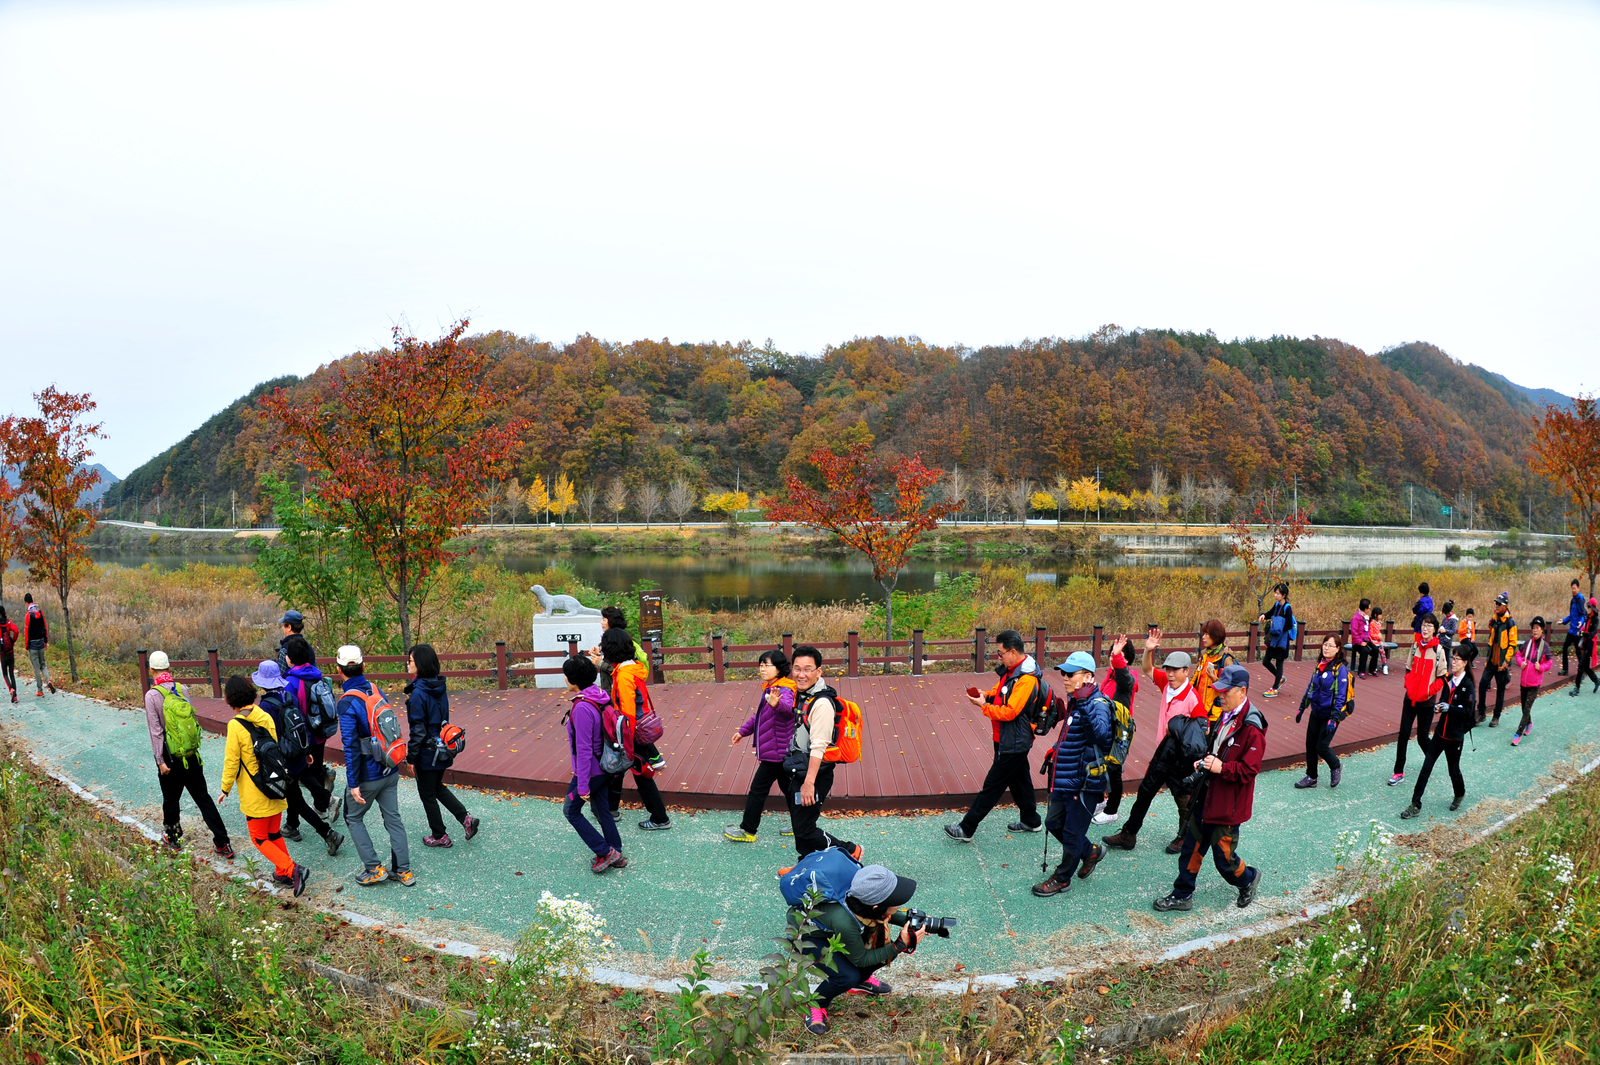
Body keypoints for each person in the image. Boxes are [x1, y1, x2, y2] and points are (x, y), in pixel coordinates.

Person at [1153, 664, 1265, 913]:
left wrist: (1221, 767)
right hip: (1205, 796)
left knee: (1224, 860)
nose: (1220, 695)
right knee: (1190, 848)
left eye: (1225, 691)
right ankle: (1182, 894)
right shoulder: (1225, 716)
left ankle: (1248, 878)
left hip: (1227, 806)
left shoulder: (1252, 728)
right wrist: (1204, 760)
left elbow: (1249, 770)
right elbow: (1215, 749)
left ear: (1242, 691)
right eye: (1219, 690)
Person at [1103, 630, 1205, 854]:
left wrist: (1181, 732)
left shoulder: (1192, 698)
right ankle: (1129, 834)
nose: (1170, 674)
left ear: (1186, 671)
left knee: (1183, 799)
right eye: (1168, 669)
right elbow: (1148, 669)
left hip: (1180, 757)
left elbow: (1201, 730)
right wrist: (1149, 650)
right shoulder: (1167, 685)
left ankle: (1185, 837)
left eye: (1175, 670)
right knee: (1145, 792)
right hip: (1162, 753)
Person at [795, 864, 927, 1035]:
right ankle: (816, 1003)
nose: (901, 903)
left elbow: (886, 913)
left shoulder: (863, 897)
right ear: (876, 907)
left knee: (884, 951)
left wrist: (915, 922)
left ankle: (860, 981)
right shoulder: (845, 922)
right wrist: (900, 945)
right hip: (807, 937)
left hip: (833, 928)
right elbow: (861, 959)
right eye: (895, 900)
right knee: (847, 976)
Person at [945, 630, 1045, 841]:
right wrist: (986, 695)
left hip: (1014, 741)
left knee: (993, 785)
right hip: (1010, 738)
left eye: (1000, 653)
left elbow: (1010, 712)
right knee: (1020, 781)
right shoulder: (1013, 671)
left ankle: (967, 828)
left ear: (1013, 652)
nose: (998, 657)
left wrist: (984, 705)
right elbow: (1000, 693)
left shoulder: (1026, 679)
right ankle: (1031, 820)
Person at [1032, 651, 1114, 897]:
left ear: (1087, 677)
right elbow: (1073, 735)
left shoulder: (1097, 703)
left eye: (1070, 673)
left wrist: (1085, 702)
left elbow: (1100, 736)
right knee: (1053, 822)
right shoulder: (1076, 700)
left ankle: (1062, 878)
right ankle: (1090, 851)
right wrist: (1056, 749)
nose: (1065, 678)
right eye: (1063, 673)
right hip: (1066, 776)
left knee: (1071, 833)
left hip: (1084, 782)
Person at [217, 675, 307, 896]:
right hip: (275, 783)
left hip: (254, 790)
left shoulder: (236, 725)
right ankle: (282, 872)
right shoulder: (264, 716)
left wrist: (225, 788)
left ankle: (292, 869)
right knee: (273, 833)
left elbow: (232, 760)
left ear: (230, 699)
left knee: (259, 838)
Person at [143, 650, 235, 858]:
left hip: (170, 756)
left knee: (171, 799)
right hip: (191, 754)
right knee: (203, 798)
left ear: (151, 670)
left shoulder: (152, 696)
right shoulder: (182, 689)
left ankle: (173, 838)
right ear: (169, 668)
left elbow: (156, 731)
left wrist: (160, 761)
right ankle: (223, 842)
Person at [335, 645, 414, 886]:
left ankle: (374, 868)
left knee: (353, 817)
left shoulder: (347, 703)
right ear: (364, 666)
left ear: (339, 670)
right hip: (390, 767)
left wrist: (353, 783)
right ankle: (403, 871)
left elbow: (350, 746)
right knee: (393, 819)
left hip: (368, 774)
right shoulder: (376, 690)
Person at [254, 659, 344, 857]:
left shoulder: (266, 706)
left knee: (296, 800)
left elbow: (269, 736)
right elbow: (301, 723)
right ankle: (304, 816)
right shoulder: (289, 696)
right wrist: (306, 750)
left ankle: (328, 834)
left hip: (283, 757)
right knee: (302, 781)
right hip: (297, 751)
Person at [785, 645, 862, 861]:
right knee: (800, 825)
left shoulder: (821, 704)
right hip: (799, 768)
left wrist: (809, 783)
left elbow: (819, 746)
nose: (801, 674)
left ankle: (849, 850)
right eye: (797, 668)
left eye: (808, 669)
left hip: (815, 773)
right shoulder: (803, 695)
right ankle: (806, 864)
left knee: (805, 829)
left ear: (819, 672)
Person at [596, 628, 671, 830]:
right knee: (631, 772)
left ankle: (659, 818)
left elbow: (627, 713)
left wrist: (622, 739)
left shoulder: (624, 676)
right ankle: (612, 809)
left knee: (637, 774)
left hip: (631, 732)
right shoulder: (633, 668)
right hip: (640, 727)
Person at [405, 643, 480, 846]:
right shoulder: (438, 687)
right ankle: (465, 819)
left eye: (410, 660)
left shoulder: (419, 693)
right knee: (436, 787)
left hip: (427, 753)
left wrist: (411, 758)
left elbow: (418, 731)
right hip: (443, 747)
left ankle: (439, 836)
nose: (407, 664)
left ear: (420, 664)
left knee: (427, 794)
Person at [562, 654, 627, 873]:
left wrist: (582, 785)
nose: (565, 679)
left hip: (590, 771)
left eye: (566, 675)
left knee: (571, 811)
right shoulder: (599, 695)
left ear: (574, 679)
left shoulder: (581, 707)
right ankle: (616, 851)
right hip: (606, 765)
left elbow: (583, 749)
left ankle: (605, 852)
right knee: (602, 809)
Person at [724, 648, 798, 843]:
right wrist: (743, 731)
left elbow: (788, 709)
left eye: (767, 665)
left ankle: (748, 830)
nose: (762, 668)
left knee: (758, 790)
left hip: (776, 752)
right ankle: (802, 824)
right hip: (779, 750)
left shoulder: (784, 690)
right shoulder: (772, 688)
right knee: (789, 789)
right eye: (761, 665)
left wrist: (776, 704)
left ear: (779, 668)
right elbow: (760, 717)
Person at [1402, 641, 1477, 819]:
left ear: (1465, 662)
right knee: (1425, 768)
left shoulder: (1468, 685)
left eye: (1457, 659)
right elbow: (1443, 701)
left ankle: (1459, 794)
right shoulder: (1449, 679)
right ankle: (1415, 804)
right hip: (1439, 734)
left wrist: (1449, 708)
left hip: (1454, 737)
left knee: (1453, 770)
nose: (1453, 662)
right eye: (1453, 658)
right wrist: (1439, 707)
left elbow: (1468, 712)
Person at [279, 635, 338, 839]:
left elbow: (290, 715)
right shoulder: (317, 676)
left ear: (289, 658)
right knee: (311, 773)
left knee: (294, 781)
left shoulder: (290, 682)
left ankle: (296, 822)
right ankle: (318, 808)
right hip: (320, 734)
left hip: (302, 740)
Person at [1389, 613, 1446, 786]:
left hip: (1426, 702)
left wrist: (1429, 691)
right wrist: (1409, 685)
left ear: (1435, 629)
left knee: (1422, 737)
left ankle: (1430, 760)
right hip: (1410, 699)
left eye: (1429, 626)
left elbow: (1442, 678)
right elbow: (1408, 669)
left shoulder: (1438, 651)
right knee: (1403, 735)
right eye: (1423, 625)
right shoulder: (1415, 646)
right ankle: (1398, 772)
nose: (1425, 628)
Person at [1092, 635, 1138, 825]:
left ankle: (1112, 811)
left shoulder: (1128, 678)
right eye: (1112, 654)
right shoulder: (1110, 676)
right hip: (1107, 728)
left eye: (1118, 655)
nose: (1113, 658)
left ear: (1126, 659)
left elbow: (1125, 680)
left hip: (1120, 731)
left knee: (1114, 769)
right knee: (1099, 762)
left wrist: (1118, 657)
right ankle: (1100, 801)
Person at [1294, 635, 1349, 789]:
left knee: (1322, 747)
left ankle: (1335, 766)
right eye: (1325, 644)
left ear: (1338, 649)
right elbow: (1310, 687)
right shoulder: (1320, 666)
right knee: (1310, 745)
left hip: (1330, 715)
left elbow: (1341, 695)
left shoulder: (1340, 669)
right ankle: (1311, 777)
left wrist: (1334, 718)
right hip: (1316, 712)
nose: (1326, 648)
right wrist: (1302, 708)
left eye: (1331, 645)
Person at [1511, 617, 1553, 745]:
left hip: (1534, 683)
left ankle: (1518, 734)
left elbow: (1549, 663)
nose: (1535, 630)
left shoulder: (1545, 647)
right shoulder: (1527, 643)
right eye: (1533, 628)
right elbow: (1518, 655)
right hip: (1524, 681)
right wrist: (1520, 663)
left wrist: (1541, 667)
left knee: (1527, 709)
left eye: (1537, 628)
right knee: (1524, 707)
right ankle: (1529, 723)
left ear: (1542, 630)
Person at [1478, 592, 1517, 726]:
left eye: (1499, 604)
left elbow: (1512, 644)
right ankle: (1481, 713)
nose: (1497, 606)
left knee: (1500, 690)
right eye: (1496, 603)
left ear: (1505, 606)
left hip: (1501, 663)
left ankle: (1496, 716)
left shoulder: (1510, 622)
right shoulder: (1494, 619)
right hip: (1491, 661)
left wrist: (1506, 660)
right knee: (1482, 684)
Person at [1193, 620, 1237, 722]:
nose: (1203, 637)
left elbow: (1233, 687)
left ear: (1215, 635)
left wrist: (1215, 680)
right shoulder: (1204, 656)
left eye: (1206, 634)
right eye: (1203, 634)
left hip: (1215, 715)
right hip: (1199, 711)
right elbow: (1194, 679)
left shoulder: (1226, 659)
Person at [1257, 583, 1294, 698]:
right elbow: (1270, 613)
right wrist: (1264, 615)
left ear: (1284, 595)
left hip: (1282, 640)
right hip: (1274, 639)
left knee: (1279, 662)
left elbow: (1289, 624)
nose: (1275, 595)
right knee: (1266, 661)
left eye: (1278, 593)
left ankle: (1275, 688)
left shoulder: (1287, 608)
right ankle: (1280, 678)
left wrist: (1277, 625)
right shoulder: (1277, 604)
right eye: (1275, 593)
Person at [23, 593, 53, 696]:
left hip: (33, 645)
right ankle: (48, 680)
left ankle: (40, 690)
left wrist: (26, 646)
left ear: (26, 603)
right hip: (41, 643)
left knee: (37, 668)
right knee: (43, 665)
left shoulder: (28, 615)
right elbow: (45, 626)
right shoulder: (40, 612)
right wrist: (45, 641)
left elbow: (26, 631)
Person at [1572, 598, 1599, 697]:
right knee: (1586, 667)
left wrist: (1582, 633)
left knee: (1581, 666)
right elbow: (1585, 629)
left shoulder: (1596, 620)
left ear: (1593, 608)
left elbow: (1592, 634)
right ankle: (1597, 681)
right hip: (1585, 643)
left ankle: (1577, 688)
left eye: (1589, 607)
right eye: (1588, 606)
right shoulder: (1587, 617)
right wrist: (1581, 631)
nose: (1588, 608)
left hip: (1590, 646)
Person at [1559, 579, 1585, 676]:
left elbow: (1583, 615)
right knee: (1565, 647)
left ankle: (1582, 672)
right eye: (1572, 588)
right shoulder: (1573, 600)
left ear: (1578, 588)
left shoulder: (1580, 600)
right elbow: (1571, 615)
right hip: (1571, 630)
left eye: (1575, 588)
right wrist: (1564, 621)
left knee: (1578, 652)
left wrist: (1581, 622)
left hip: (1578, 631)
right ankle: (1565, 669)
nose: (1573, 590)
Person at [1350, 599, 1377, 677]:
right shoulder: (1355, 618)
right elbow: (1354, 633)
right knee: (1364, 651)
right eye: (1369, 608)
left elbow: (1368, 630)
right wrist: (1360, 642)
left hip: (1366, 640)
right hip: (1357, 642)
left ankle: (1372, 670)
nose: (1369, 609)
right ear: (1365, 608)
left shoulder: (1367, 618)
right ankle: (1361, 671)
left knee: (1375, 650)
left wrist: (1369, 638)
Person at [0, 606, 18, 703]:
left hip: (3, 653)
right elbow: (16, 631)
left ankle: (11, 689)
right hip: (10, 652)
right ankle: (15, 697)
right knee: (11, 673)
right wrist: (12, 641)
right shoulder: (8, 622)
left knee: (4, 674)